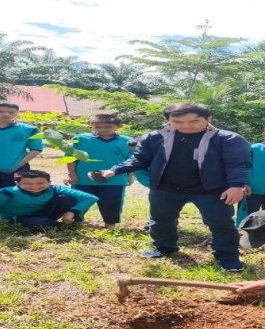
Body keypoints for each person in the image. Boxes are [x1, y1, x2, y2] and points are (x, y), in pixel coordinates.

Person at [101, 102, 251, 272]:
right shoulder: (154, 137)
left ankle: (228, 257)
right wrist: (115, 170)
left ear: (208, 118)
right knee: (161, 220)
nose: (186, 126)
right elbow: (139, 159)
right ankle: (164, 247)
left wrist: (236, 185)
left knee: (221, 223)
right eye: (178, 122)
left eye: (194, 121)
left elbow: (238, 163)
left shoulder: (228, 139)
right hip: (166, 188)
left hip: (211, 190)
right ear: (168, 120)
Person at [66, 114, 133, 229]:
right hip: (83, 178)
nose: (102, 129)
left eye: (108, 127)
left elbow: (131, 160)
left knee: (112, 203)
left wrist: (130, 175)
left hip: (115, 180)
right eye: (98, 127)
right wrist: (72, 174)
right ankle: (76, 222)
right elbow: (70, 157)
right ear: (91, 125)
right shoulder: (80, 139)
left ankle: (110, 225)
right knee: (79, 200)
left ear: (118, 126)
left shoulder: (127, 141)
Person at [0, 170, 98, 230]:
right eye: (27, 184)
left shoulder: (54, 189)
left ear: (49, 182)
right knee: (39, 224)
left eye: (40, 183)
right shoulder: (6, 193)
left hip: (42, 213)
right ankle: (50, 225)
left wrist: (72, 212)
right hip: (14, 218)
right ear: (17, 183)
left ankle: (73, 222)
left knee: (68, 199)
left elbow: (91, 197)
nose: (34, 187)